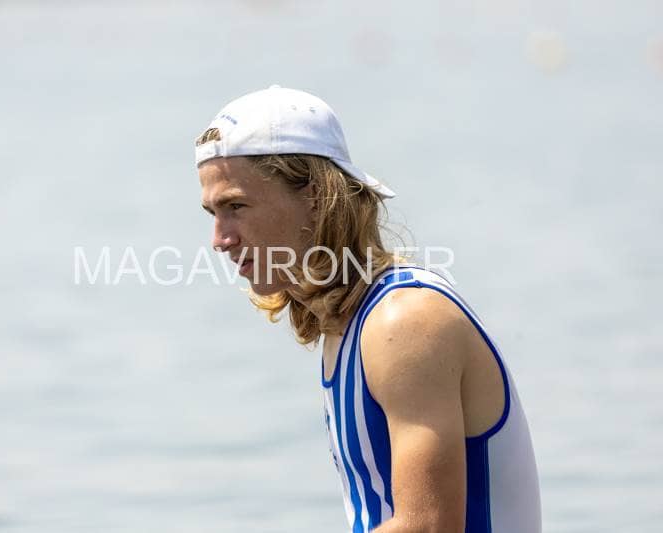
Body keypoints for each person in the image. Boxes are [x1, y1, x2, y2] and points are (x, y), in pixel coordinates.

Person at [194, 85, 541, 533]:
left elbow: (429, 527)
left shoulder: (406, 321)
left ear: (315, 197)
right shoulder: (347, 327)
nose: (220, 239)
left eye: (236, 206)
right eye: (213, 213)